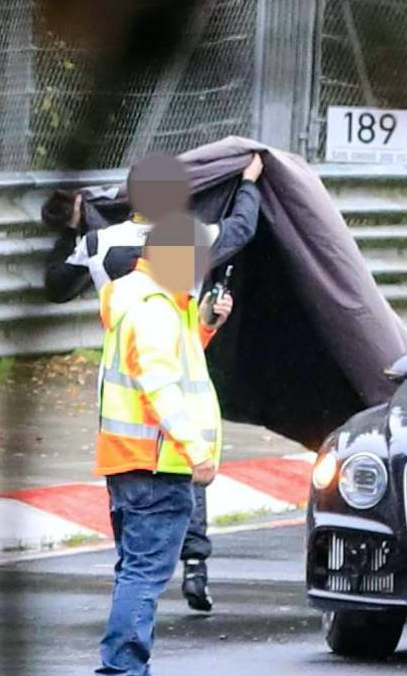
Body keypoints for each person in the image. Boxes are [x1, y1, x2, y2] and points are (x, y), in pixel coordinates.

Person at [45, 151, 265, 612]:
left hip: (120, 386)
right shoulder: (191, 236)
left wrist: (76, 224)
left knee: (134, 550)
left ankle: (134, 611)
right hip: (172, 371)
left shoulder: (99, 241)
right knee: (184, 459)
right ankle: (195, 565)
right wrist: (247, 183)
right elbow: (241, 228)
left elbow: (55, 285)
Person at [90, 215, 229, 676]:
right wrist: (195, 450)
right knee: (145, 575)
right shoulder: (153, 310)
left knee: (137, 572)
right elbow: (160, 386)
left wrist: (207, 326)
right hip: (155, 464)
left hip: (136, 463)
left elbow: (176, 364)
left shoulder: (154, 304)